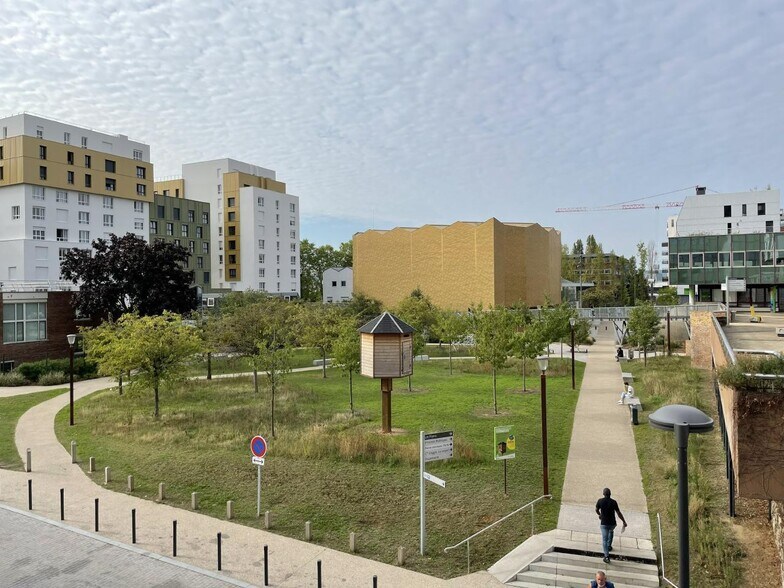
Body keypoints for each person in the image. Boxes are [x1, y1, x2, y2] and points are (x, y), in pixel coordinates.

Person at [595, 488, 627, 564]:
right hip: (612, 523)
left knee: (604, 540)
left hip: (604, 524)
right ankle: (609, 546)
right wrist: (624, 522)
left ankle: (606, 556)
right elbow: (618, 513)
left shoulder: (600, 501)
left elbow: (596, 510)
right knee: (611, 531)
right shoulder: (613, 502)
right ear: (610, 494)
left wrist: (600, 515)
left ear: (603, 494)